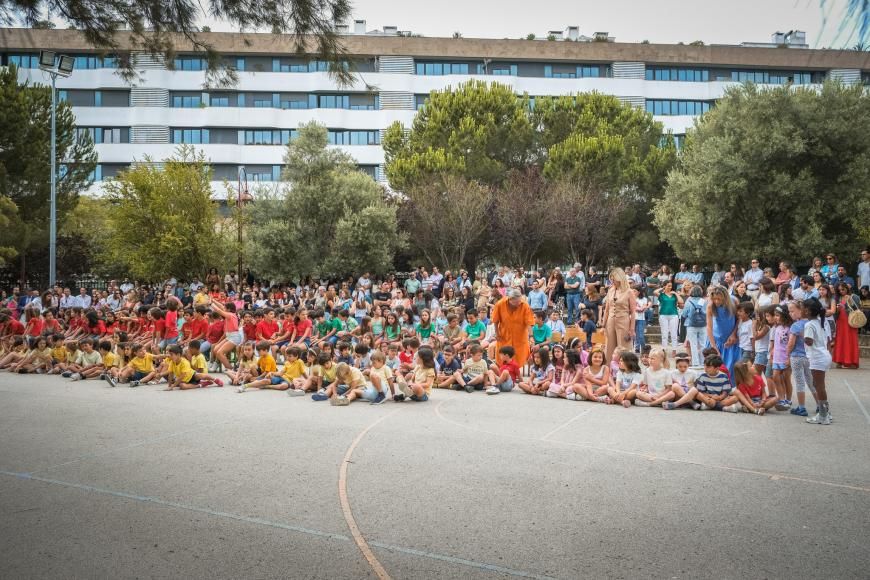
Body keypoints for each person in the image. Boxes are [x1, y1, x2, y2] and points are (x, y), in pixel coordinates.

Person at [803, 298, 833, 424]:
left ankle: (823, 415)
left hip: (817, 356)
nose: (802, 310)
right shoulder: (820, 321)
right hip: (823, 355)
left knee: (819, 386)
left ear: (808, 311)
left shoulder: (809, 324)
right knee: (819, 385)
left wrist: (802, 336)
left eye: (804, 308)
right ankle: (825, 413)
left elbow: (809, 341)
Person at [491, 288, 535, 368]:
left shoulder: (524, 305)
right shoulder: (500, 304)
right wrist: (497, 333)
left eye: (519, 301)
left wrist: (531, 336)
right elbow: (495, 321)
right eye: (516, 302)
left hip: (520, 336)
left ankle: (515, 372)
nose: (519, 303)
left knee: (518, 355)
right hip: (504, 335)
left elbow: (529, 323)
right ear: (510, 299)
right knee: (503, 354)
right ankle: (504, 371)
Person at [705, 286, 741, 379]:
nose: (716, 301)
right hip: (716, 340)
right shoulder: (710, 306)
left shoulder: (734, 302)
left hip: (731, 340)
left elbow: (739, 319)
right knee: (715, 368)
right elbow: (709, 327)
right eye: (714, 299)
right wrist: (714, 347)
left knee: (732, 369)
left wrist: (734, 334)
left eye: (719, 299)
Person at [602, 268, 636, 363]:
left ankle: (626, 369)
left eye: (614, 279)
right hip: (610, 321)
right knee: (609, 347)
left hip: (623, 320)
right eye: (611, 279)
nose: (612, 282)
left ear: (620, 278)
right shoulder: (610, 290)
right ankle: (608, 370)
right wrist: (603, 325)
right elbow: (607, 309)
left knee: (623, 348)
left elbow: (633, 312)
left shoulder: (629, 291)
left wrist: (632, 328)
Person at [832, 282, 860, 369]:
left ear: (847, 288)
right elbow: (835, 314)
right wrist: (838, 310)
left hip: (851, 321)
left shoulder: (854, 297)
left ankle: (852, 361)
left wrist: (845, 307)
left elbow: (857, 309)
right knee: (840, 340)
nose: (841, 291)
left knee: (851, 340)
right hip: (840, 321)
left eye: (843, 289)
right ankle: (839, 361)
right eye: (839, 290)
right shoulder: (837, 298)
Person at [681, 286, 707, 366]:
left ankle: (695, 363)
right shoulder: (704, 301)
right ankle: (703, 362)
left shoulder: (689, 301)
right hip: (703, 325)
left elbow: (684, 314)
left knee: (693, 345)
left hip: (691, 325)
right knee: (703, 344)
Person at [654, 280, 680, 356]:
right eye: (668, 285)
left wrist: (675, 293)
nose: (670, 287)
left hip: (674, 315)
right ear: (665, 286)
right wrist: (662, 288)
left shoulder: (674, 295)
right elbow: (655, 292)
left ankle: (674, 350)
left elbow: (681, 301)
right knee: (664, 333)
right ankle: (664, 349)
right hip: (663, 315)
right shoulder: (661, 295)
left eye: (671, 286)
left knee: (674, 333)